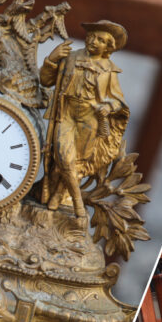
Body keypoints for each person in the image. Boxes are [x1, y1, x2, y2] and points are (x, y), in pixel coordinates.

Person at [39, 20, 130, 228]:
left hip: (90, 119)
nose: (92, 41)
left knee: (77, 162)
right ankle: (79, 206)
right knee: (63, 155)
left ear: (108, 47)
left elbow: (118, 100)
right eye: (91, 36)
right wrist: (51, 60)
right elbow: (45, 80)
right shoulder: (71, 58)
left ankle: (57, 196)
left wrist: (109, 107)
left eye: (99, 40)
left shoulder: (109, 70)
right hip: (67, 114)